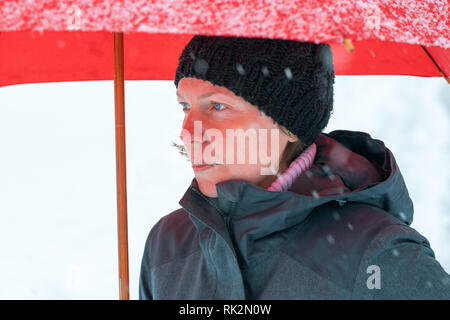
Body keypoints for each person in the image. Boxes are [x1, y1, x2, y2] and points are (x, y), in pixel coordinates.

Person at [139, 35, 450, 299]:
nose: (188, 131)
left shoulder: (378, 256)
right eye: (185, 106)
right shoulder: (167, 244)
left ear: (288, 126)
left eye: (218, 106)